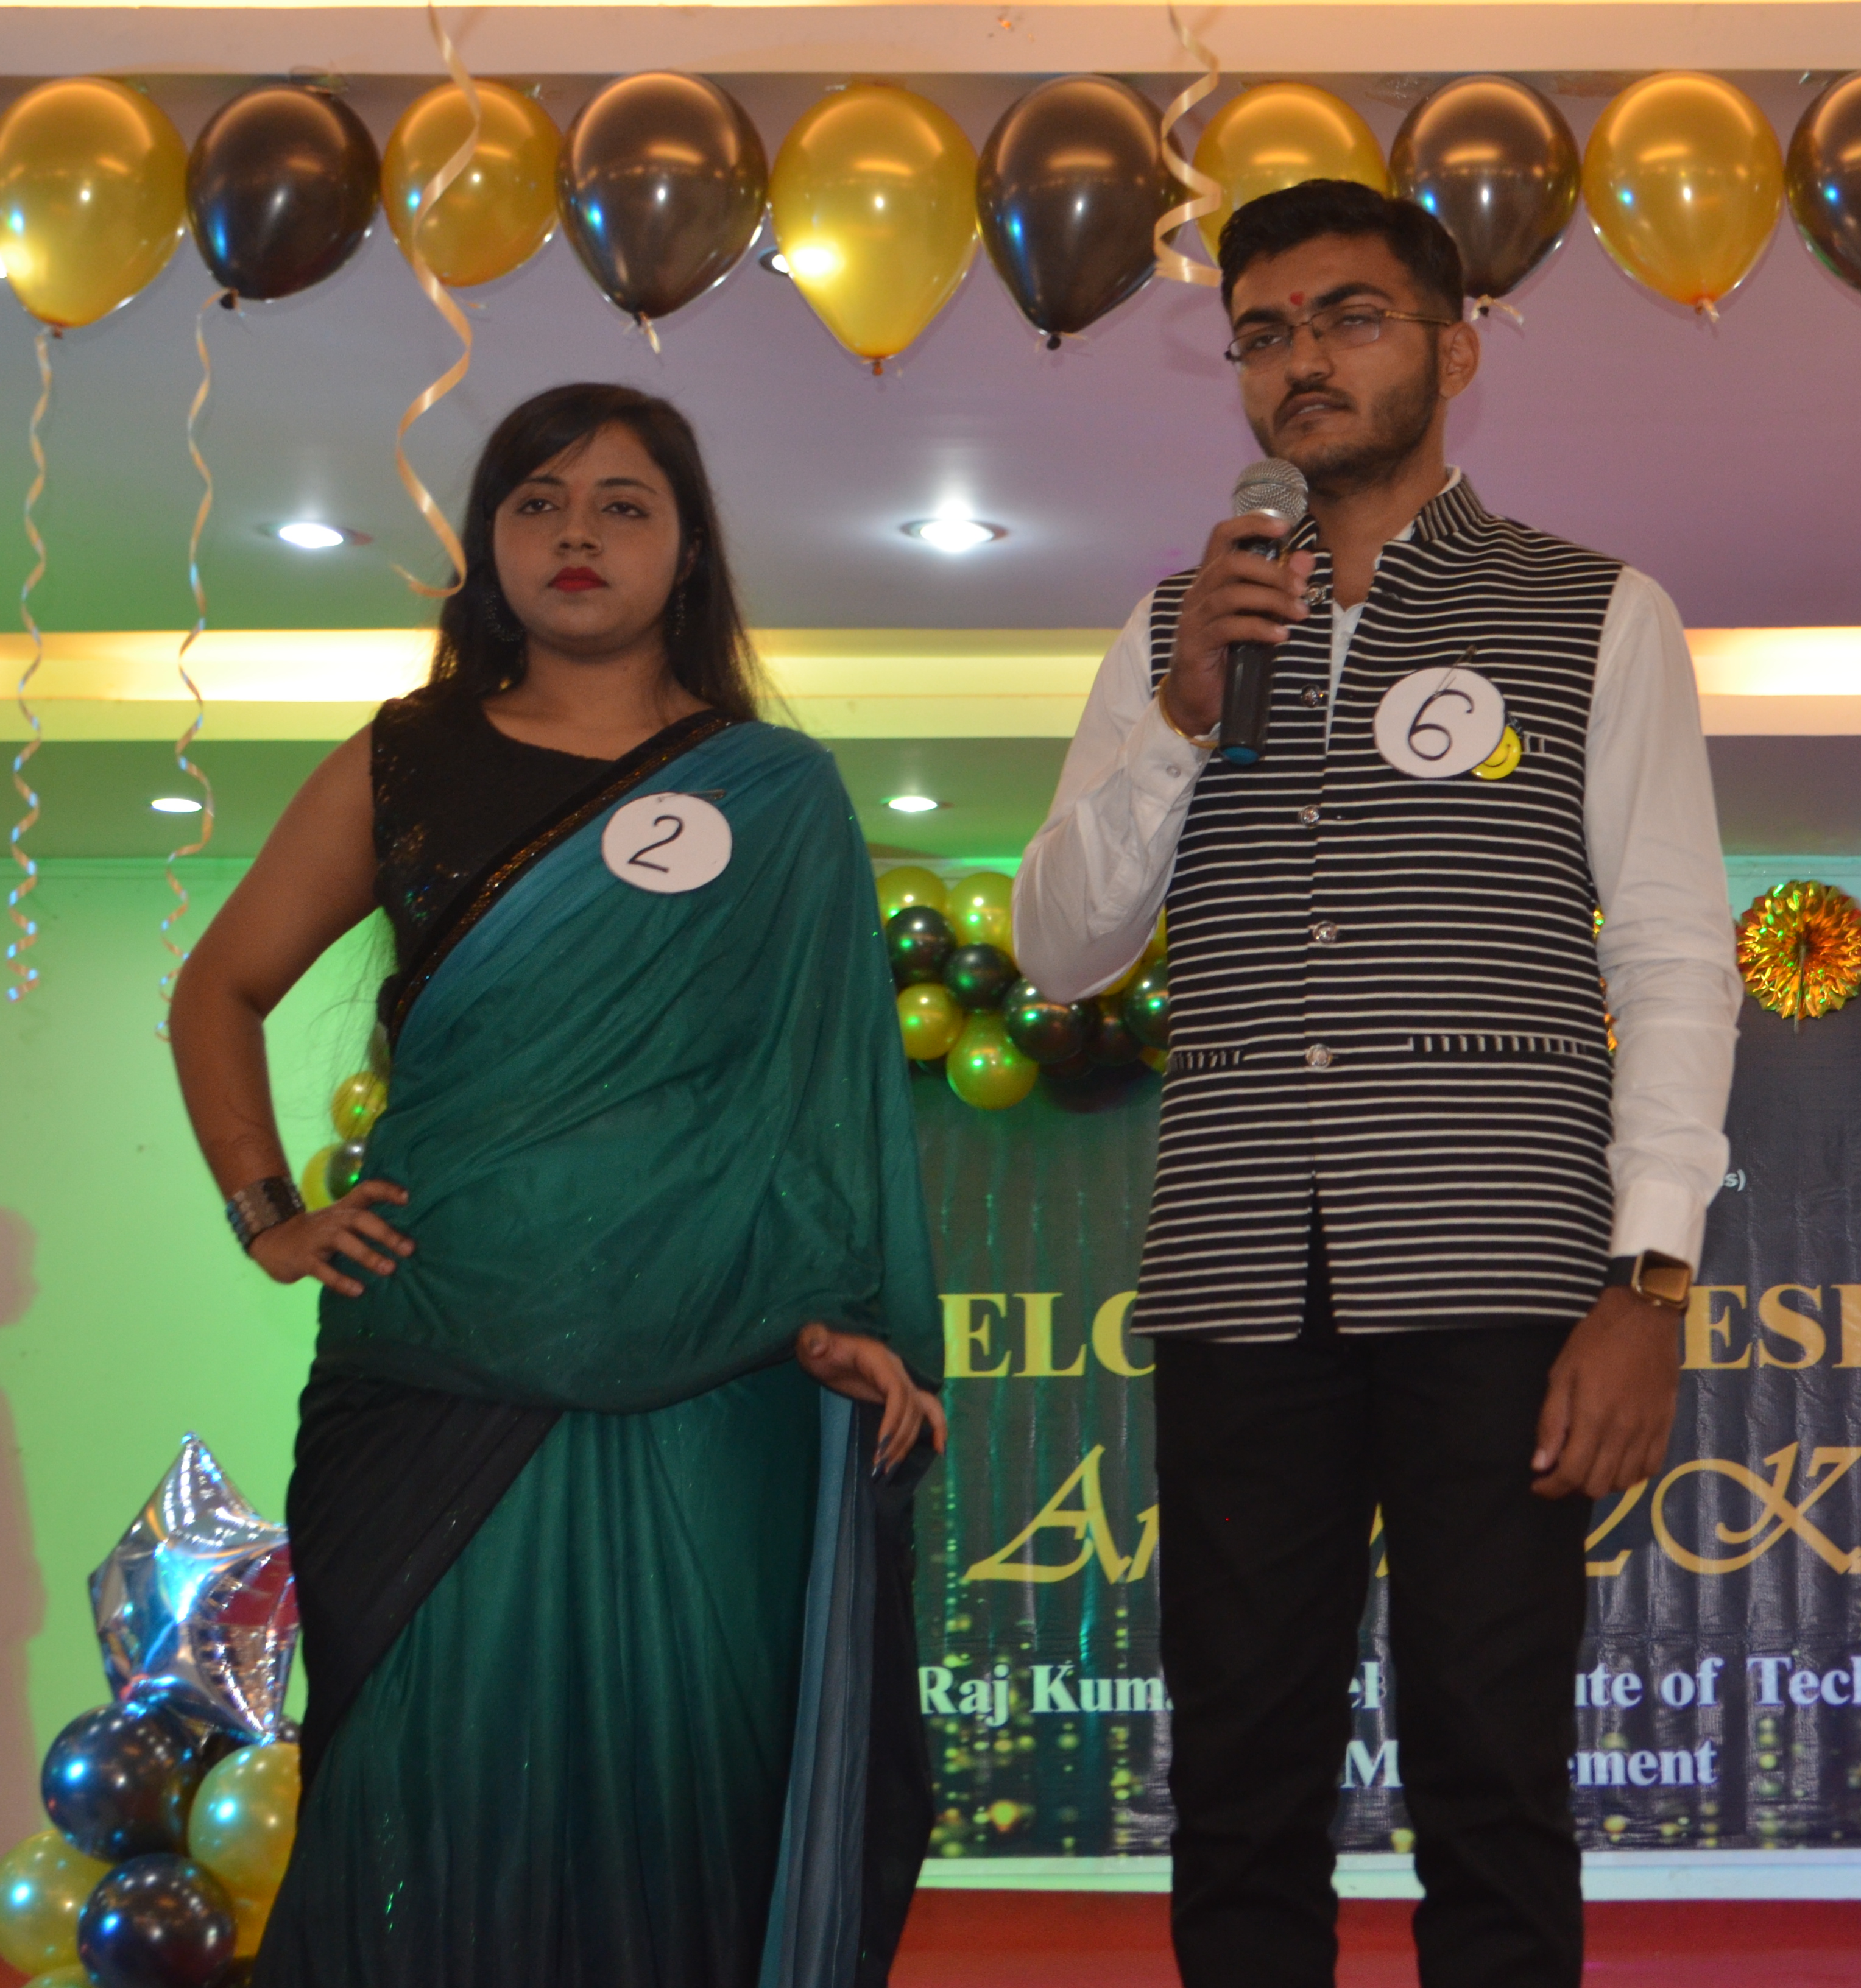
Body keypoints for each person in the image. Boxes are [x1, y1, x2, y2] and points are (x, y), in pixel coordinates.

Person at [1013, 181, 1741, 1988]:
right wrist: (1184, 713)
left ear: (1455, 354)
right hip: (1238, 1277)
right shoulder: (1173, 627)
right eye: (1264, 332)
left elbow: (1672, 959)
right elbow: (1064, 948)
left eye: (1349, 317)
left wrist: (1650, 1283)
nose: (1301, 360)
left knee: (1493, 1775)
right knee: (1237, 1778)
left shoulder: (1596, 611)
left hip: (1502, 1275)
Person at [168, 382, 947, 1988]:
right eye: (537, 501)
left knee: (691, 1791)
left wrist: (841, 1312)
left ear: (689, 548)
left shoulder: (775, 792)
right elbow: (218, 989)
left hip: (713, 1380)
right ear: (489, 544)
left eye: (621, 503)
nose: (576, 532)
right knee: (420, 1790)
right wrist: (269, 1215)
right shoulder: (406, 761)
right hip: (434, 1356)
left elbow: (815, 1095)